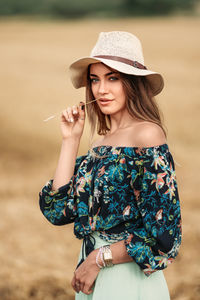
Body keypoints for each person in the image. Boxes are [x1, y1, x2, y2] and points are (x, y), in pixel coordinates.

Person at [39, 31, 182, 300]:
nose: (101, 89)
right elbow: (58, 210)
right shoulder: (99, 143)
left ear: (133, 83)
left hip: (126, 277)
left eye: (113, 78)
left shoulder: (147, 136)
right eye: (95, 80)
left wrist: (98, 258)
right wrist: (70, 141)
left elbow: (166, 237)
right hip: (91, 277)